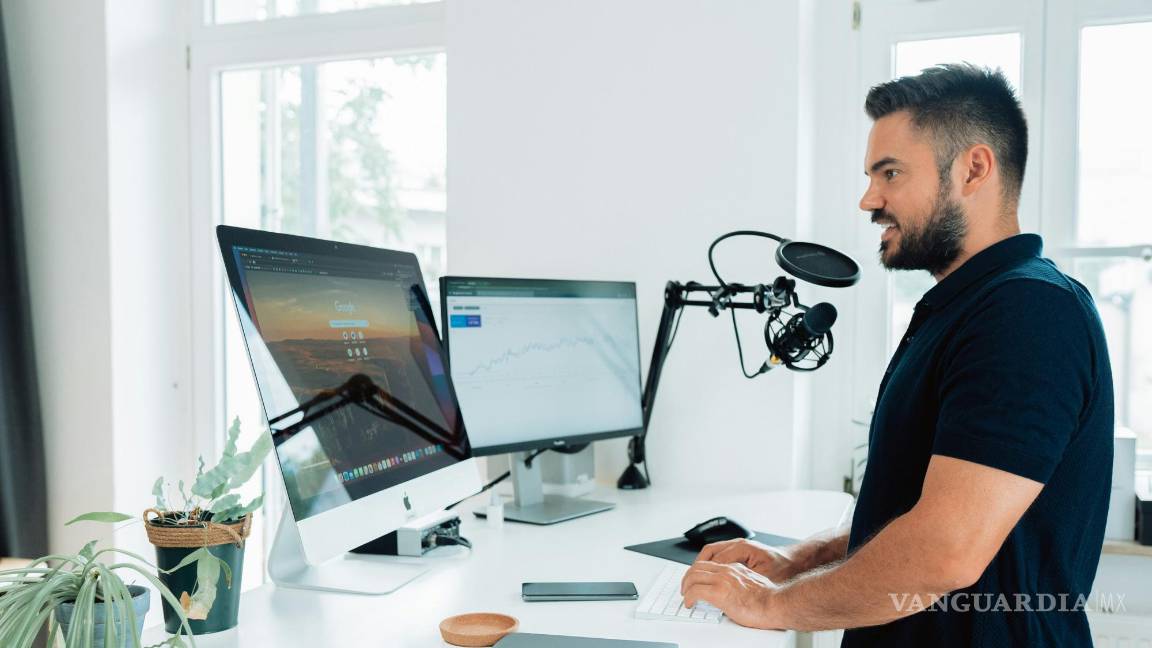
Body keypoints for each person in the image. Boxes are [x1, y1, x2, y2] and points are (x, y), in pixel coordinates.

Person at [681, 63, 1114, 646]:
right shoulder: (966, 308)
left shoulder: (1028, 314)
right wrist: (797, 562)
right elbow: (912, 509)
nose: (868, 199)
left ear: (973, 169)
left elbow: (945, 551)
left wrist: (771, 604)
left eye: (890, 173)